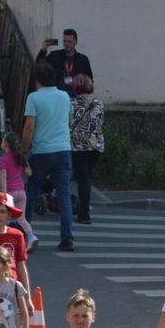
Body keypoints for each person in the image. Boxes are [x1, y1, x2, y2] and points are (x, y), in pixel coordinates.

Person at [22, 61, 75, 251]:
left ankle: (24, 231)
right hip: (63, 150)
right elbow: (70, 121)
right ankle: (67, 236)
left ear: (37, 79)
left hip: (42, 151)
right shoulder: (65, 96)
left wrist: (23, 150)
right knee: (63, 195)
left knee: (31, 191)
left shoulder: (34, 98)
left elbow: (29, 127)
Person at [68, 74, 104, 225]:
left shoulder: (71, 103)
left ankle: (84, 213)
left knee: (83, 179)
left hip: (78, 146)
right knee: (86, 177)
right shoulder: (99, 103)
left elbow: (68, 123)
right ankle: (83, 209)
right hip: (96, 145)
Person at [0, 134, 35, 251]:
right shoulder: (19, 158)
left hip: (10, 193)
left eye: (3, 141)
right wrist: (25, 162)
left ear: (6, 145)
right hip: (21, 192)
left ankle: (3, 240)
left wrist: (3, 195)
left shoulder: (3, 160)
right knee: (21, 218)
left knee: (3, 217)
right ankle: (31, 236)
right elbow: (29, 173)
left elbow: (3, 177)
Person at [36, 28, 94, 95]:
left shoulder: (83, 60)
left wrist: (83, 77)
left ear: (76, 42)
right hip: (57, 95)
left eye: (69, 41)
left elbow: (90, 80)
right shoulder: (54, 56)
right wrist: (43, 50)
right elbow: (39, 66)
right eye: (64, 41)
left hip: (76, 97)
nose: (66, 43)